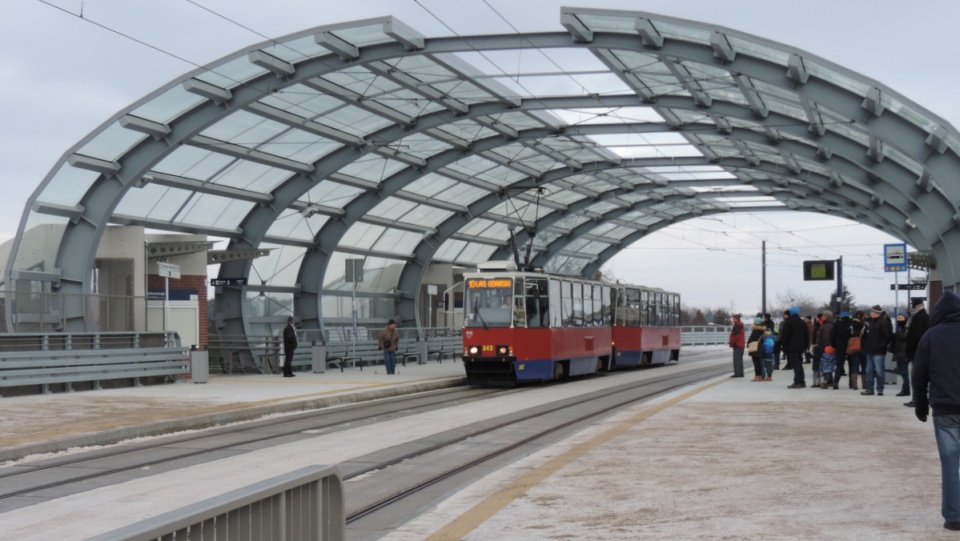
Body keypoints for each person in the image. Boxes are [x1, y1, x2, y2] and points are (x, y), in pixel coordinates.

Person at [912, 290, 960, 531]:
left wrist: (920, 405)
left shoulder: (931, 336)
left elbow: (919, 375)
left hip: (945, 409)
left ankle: (954, 516)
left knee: (950, 462)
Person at [905, 297, 931, 408]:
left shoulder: (918, 318)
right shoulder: (926, 316)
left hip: (916, 351)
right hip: (924, 351)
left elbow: (915, 336)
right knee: (924, 376)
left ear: (915, 306)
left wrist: (908, 348)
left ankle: (917, 399)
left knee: (916, 376)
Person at [861, 305, 892, 396]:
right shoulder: (869, 322)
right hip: (869, 350)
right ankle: (869, 389)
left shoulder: (883, 322)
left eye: (871, 312)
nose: (870, 313)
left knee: (879, 371)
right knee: (869, 370)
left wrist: (881, 346)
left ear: (875, 313)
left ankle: (880, 389)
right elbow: (865, 336)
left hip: (879, 351)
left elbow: (886, 336)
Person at [781, 306, 810, 388]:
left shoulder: (789, 322)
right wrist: (806, 346)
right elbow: (806, 335)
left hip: (792, 346)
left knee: (795, 364)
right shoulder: (802, 322)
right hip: (801, 347)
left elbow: (785, 334)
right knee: (799, 364)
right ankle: (802, 381)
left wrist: (783, 344)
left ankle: (797, 382)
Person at [890, 314, 909, 396]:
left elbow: (903, 337)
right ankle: (905, 388)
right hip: (898, 352)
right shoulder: (898, 328)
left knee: (904, 372)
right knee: (901, 371)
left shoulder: (905, 329)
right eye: (898, 318)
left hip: (904, 353)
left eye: (901, 318)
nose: (900, 320)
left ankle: (906, 389)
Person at [746, 314, 768, 381]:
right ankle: (760, 376)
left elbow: (751, 338)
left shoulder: (755, 331)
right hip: (760, 346)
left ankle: (757, 377)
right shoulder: (762, 330)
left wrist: (748, 344)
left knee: (756, 363)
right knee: (758, 362)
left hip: (755, 347)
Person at [729, 314, 745, 378]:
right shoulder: (741, 325)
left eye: (734, 318)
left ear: (737, 319)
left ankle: (737, 373)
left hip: (737, 344)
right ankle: (741, 373)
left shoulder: (737, 325)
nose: (733, 319)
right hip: (741, 344)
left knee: (736, 360)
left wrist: (732, 342)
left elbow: (737, 336)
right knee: (740, 359)